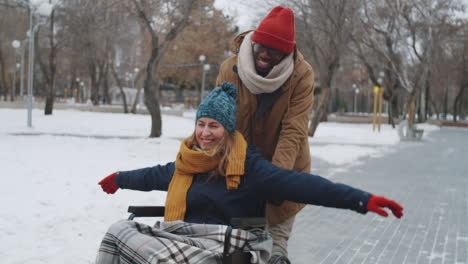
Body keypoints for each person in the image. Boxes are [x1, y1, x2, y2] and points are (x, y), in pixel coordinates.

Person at [96, 82, 403, 264]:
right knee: (118, 231)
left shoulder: (250, 167)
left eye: (213, 126)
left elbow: (302, 185)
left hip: (228, 247)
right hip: (182, 240)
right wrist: (119, 179)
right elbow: (151, 176)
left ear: (228, 131)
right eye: (201, 124)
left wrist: (361, 200)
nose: (205, 133)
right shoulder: (188, 163)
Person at [215, 6, 315, 261]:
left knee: (273, 252)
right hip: (240, 173)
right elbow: (220, 124)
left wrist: (275, 180)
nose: (265, 54)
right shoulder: (231, 70)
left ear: (287, 52)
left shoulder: (301, 76)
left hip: (285, 172)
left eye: (275, 50)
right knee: (238, 251)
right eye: (262, 45)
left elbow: (294, 131)